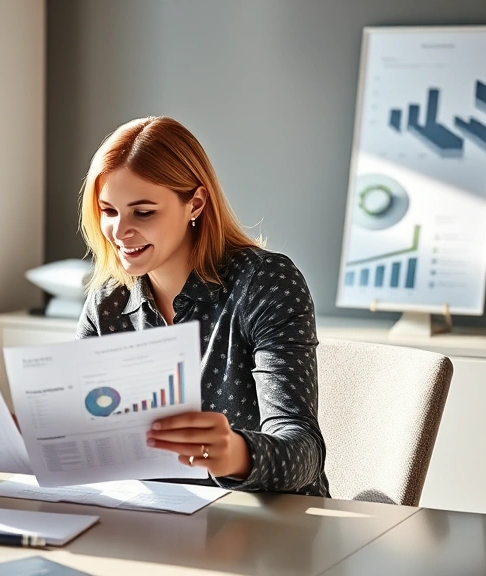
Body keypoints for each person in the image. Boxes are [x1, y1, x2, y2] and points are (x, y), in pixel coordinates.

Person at [77, 116, 329, 496]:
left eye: (143, 212)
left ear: (195, 203)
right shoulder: (108, 302)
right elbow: (87, 432)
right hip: (157, 520)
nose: (119, 231)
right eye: (108, 211)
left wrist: (235, 453)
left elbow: (305, 450)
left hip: (270, 524)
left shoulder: (265, 282)